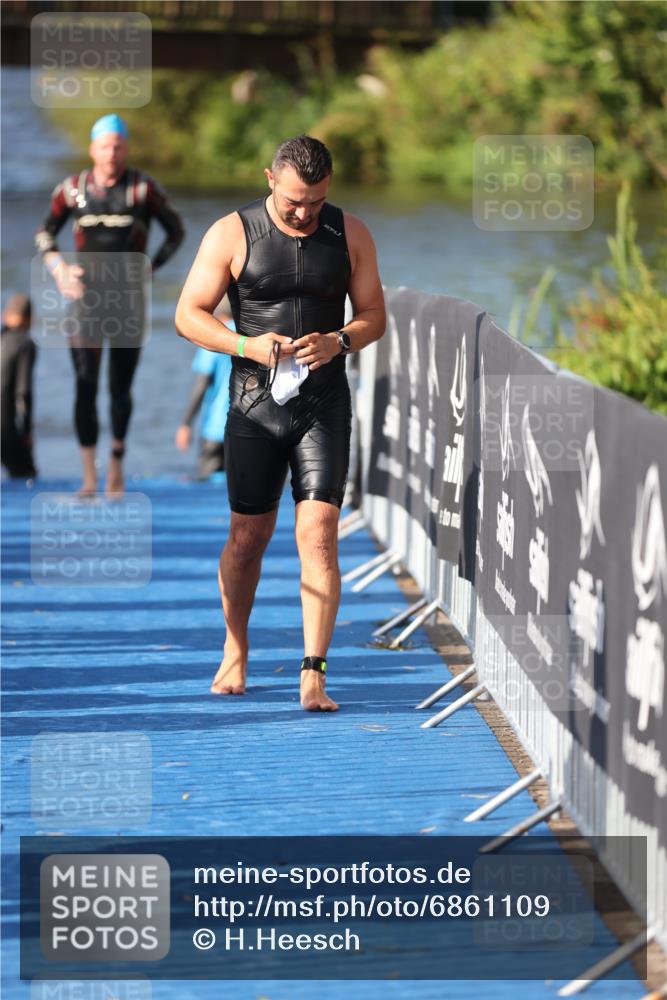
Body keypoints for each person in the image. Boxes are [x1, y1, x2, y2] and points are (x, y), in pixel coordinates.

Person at [175, 134, 386, 712]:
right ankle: (235, 646)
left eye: (315, 202)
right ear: (270, 178)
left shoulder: (351, 233)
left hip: (323, 405)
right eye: (294, 200)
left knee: (317, 536)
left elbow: (374, 317)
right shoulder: (232, 232)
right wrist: (244, 342)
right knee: (248, 540)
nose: (303, 212)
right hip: (254, 405)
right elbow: (187, 315)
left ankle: (313, 672)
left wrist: (339, 339)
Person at [35, 113, 184, 497]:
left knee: (120, 388)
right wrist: (58, 269)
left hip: (128, 303)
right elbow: (44, 233)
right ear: (92, 149)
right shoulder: (73, 189)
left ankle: (116, 463)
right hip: (85, 303)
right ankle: (88, 476)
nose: (112, 153)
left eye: (118, 145)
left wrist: (151, 267)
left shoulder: (142, 189)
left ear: (126, 148)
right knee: (85, 386)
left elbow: (176, 232)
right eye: (105, 145)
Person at [175, 297, 234, 479]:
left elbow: (201, 385)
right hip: (248, 426)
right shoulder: (251, 335)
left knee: (211, 489)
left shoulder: (215, 337)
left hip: (216, 429)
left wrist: (186, 424)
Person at [1, 294, 37, 480]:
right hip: (4, 430)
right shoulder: (25, 343)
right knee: (27, 476)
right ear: (29, 319)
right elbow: (23, 392)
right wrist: (26, 432)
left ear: (5, 315)